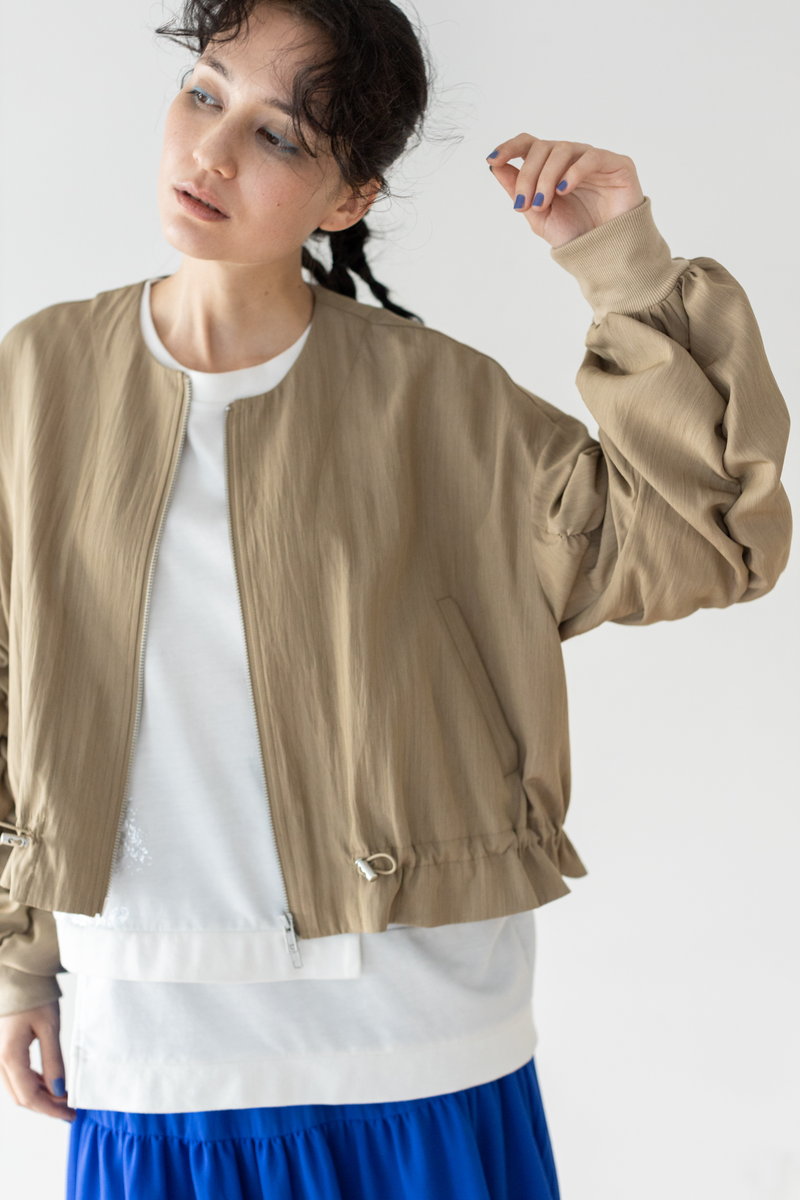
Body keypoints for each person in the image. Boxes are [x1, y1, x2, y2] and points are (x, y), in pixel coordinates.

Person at [0, 0, 791, 1196]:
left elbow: (707, 541)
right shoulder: (37, 379)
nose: (211, 150)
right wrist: (21, 959)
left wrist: (620, 264)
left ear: (348, 198)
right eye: (206, 93)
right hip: (155, 1046)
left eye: (278, 135)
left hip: (419, 1046)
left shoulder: (439, 402)